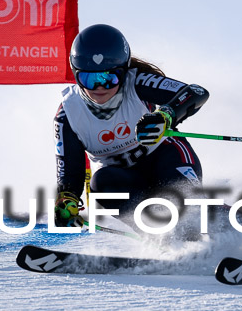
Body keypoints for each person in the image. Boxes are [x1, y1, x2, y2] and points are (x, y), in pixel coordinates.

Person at [53, 24, 209, 237]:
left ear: (124, 71)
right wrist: (67, 201)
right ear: (75, 74)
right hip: (124, 180)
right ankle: (162, 240)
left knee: (189, 215)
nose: (100, 87)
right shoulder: (68, 114)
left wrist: (165, 115)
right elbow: (70, 174)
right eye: (88, 79)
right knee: (101, 183)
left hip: (167, 159)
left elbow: (196, 92)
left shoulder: (138, 83)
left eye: (111, 78)